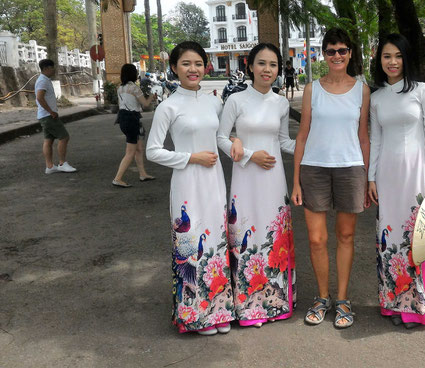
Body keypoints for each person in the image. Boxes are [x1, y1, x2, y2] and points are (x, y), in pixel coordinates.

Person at [146, 41, 235, 336]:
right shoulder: (168, 106)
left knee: (216, 244)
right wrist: (189, 158)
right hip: (186, 183)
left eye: (198, 63)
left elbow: (224, 136)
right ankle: (196, 316)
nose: (193, 69)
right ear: (174, 68)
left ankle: (219, 311)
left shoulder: (214, 101)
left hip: (214, 182)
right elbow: (153, 151)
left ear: (206, 67)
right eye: (186, 64)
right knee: (191, 247)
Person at [291, 28, 370, 329]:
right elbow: (302, 136)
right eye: (330, 51)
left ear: (350, 53)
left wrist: (366, 177)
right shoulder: (313, 89)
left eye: (342, 50)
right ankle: (322, 297)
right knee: (316, 238)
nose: (336, 56)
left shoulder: (361, 90)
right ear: (322, 55)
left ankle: (343, 299)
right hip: (314, 168)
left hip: (350, 168)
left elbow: (364, 137)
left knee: (346, 236)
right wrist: (296, 181)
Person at [217, 43, 296, 328]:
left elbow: (285, 142)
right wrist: (250, 155)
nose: (267, 70)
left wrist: (315, 145)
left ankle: (276, 301)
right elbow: (222, 138)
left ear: (279, 69)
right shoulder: (236, 100)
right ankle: (249, 305)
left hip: (274, 180)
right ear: (250, 66)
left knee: (273, 234)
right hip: (246, 178)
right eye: (261, 63)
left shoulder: (281, 103)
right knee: (247, 234)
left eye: (273, 65)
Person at [368, 33, 425, 329]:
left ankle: (415, 307)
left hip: (416, 172)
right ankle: (392, 303)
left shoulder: (422, 91)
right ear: (380, 60)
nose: (393, 62)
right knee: (390, 238)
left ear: (406, 58)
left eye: (398, 56)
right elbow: (375, 140)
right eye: (387, 56)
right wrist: (371, 178)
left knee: (416, 236)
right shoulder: (376, 98)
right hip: (387, 175)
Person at [111, 63, 157, 188]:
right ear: (133, 74)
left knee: (139, 148)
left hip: (123, 119)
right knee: (130, 152)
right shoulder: (134, 88)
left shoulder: (120, 88)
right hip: (132, 119)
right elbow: (145, 104)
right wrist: (152, 96)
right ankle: (118, 178)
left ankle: (143, 174)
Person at [35, 59, 77, 174]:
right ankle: (62, 163)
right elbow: (39, 97)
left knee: (48, 139)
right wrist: (51, 111)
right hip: (48, 116)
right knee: (64, 137)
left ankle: (49, 166)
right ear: (46, 68)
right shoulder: (43, 81)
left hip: (44, 115)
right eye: (52, 67)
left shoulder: (44, 80)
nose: (54, 70)